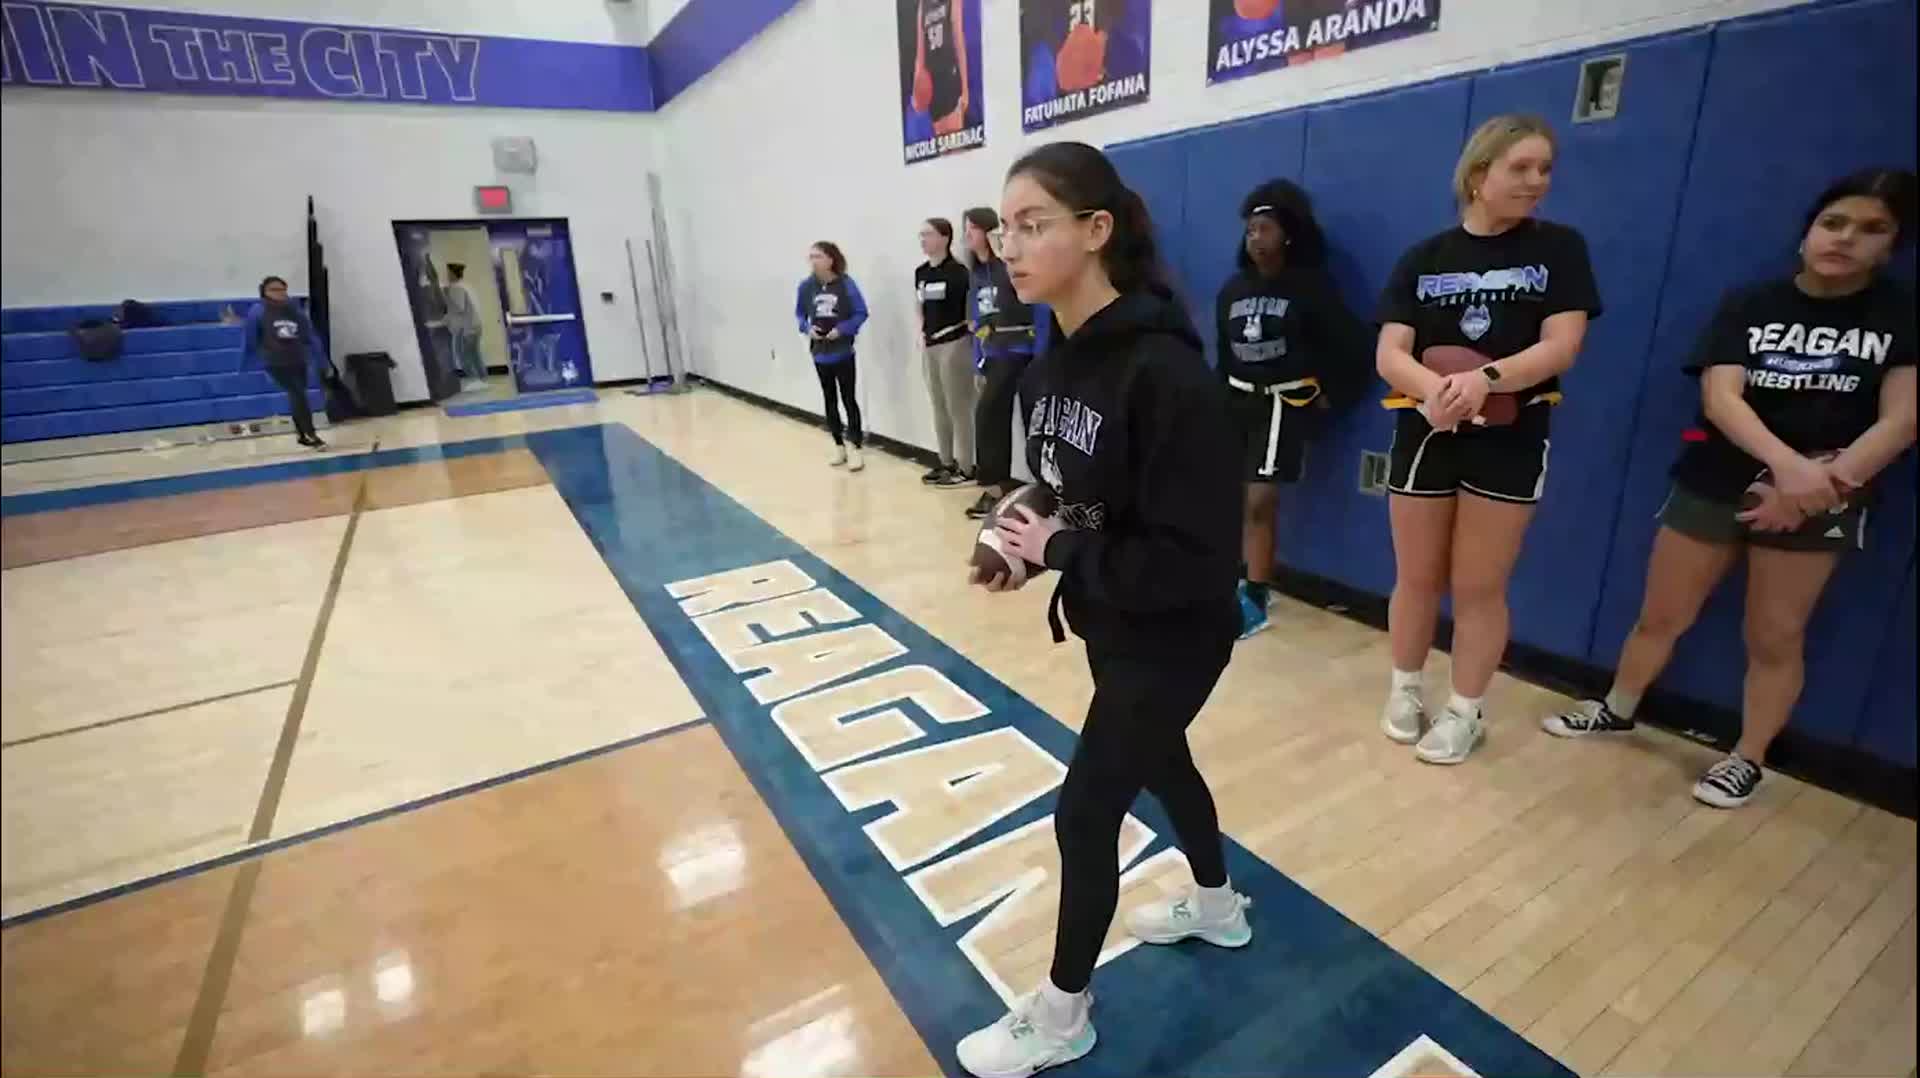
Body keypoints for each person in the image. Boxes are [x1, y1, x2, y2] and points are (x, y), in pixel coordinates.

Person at [957, 141, 1247, 1078]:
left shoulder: (1170, 378)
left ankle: (1062, 1013)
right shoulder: (1050, 375)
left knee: (1086, 815)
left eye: (1033, 223)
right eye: (1004, 226)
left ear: (1096, 231)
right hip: (1110, 622)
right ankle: (1218, 905)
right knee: (1167, 762)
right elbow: (1080, 500)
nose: (1010, 244)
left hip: (1179, 633)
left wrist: (1064, 549)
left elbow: (1199, 559)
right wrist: (1022, 547)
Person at [1544, 169, 1917, 809]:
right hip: (1715, 481)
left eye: (1872, 230)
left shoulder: (1899, 316)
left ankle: (1748, 757)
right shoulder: (1751, 304)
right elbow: (1721, 398)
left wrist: (1816, 484)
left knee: (1775, 633)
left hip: (1826, 499)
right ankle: (1618, 706)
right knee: (1662, 613)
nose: (1846, 239)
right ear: (1807, 231)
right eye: (1834, 223)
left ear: (1893, 245)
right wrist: (1785, 465)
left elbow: (1903, 418)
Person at [1375, 114, 1602, 764]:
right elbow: (1391, 352)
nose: (1537, 181)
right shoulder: (1424, 258)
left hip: (1511, 435)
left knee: (1478, 587)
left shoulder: (1558, 249)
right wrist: (1435, 391)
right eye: (1521, 167)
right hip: (1426, 433)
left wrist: (1485, 380)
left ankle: (1465, 710)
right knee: (1416, 577)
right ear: (1478, 176)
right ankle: (1405, 689)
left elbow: (1563, 344)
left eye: (1545, 169)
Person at [1216, 178, 1371, 638]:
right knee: (1236, 498)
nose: (1255, 238)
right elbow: (1224, 354)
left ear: (1287, 233)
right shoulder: (1233, 290)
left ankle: (1256, 597)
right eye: (1250, 230)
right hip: (1239, 400)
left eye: (1264, 228)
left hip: (1285, 403)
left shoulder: (1311, 287)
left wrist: (1331, 395)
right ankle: (1234, 579)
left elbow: (1353, 348)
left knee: (1261, 499)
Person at [965, 207, 1045, 519]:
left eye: (971, 229)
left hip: (1021, 353)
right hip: (993, 355)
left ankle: (1042, 487)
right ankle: (997, 486)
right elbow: (977, 322)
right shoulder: (976, 274)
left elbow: (1036, 306)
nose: (967, 236)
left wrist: (1040, 351)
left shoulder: (1008, 267)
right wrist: (977, 364)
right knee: (988, 417)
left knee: (1029, 419)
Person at [794, 241, 870, 470]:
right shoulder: (806, 287)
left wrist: (843, 330)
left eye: (818, 256)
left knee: (849, 399)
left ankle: (855, 446)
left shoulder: (846, 285)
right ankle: (838, 445)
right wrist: (808, 329)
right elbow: (799, 314)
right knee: (830, 399)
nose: (813, 261)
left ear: (830, 259)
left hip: (843, 352)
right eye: (811, 257)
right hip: (820, 354)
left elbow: (861, 313)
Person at [916, 218, 977, 486]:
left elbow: (968, 311)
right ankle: (946, 462)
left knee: (958, 408)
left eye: (928, 234)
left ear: (944, 238)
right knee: (938, 406)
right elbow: (920, 306)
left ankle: (966, 467)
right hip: (930, 346)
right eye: (921, 235)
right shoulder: (921, 272)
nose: (923, 240)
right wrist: (920, 332)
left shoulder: (959, 272)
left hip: (955, 344)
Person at [242, 275, 329, 450]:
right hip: (275, 362)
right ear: (264, 292)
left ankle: (302, 434)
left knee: (298, 396)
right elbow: (251, 338)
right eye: (274, 290)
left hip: (297, 359)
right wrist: (250, 362)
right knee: (298, 394)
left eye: (283, 289)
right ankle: (310, 434)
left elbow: (309, 335)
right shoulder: (258, 311)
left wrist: (320, 359)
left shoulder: (295, 310)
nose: (280, 293)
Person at [910, 0, 970, 136]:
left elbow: (958, 40)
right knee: (943, 148)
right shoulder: (923, 4)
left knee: (955, 145)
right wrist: (916, 90)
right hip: (933, 86)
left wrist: (965, 88)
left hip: (950, 77)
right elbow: (920, 54)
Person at [444, 262, 486, 391]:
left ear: (452, 273)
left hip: (467, 328)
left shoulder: (456, 288)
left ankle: (475, 381)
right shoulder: (466, 286)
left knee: (464, 356)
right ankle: (483, 380)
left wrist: (446, 296)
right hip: (475, 325)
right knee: (475, 355)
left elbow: (459, 308)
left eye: (447, 273)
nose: (446, 275)